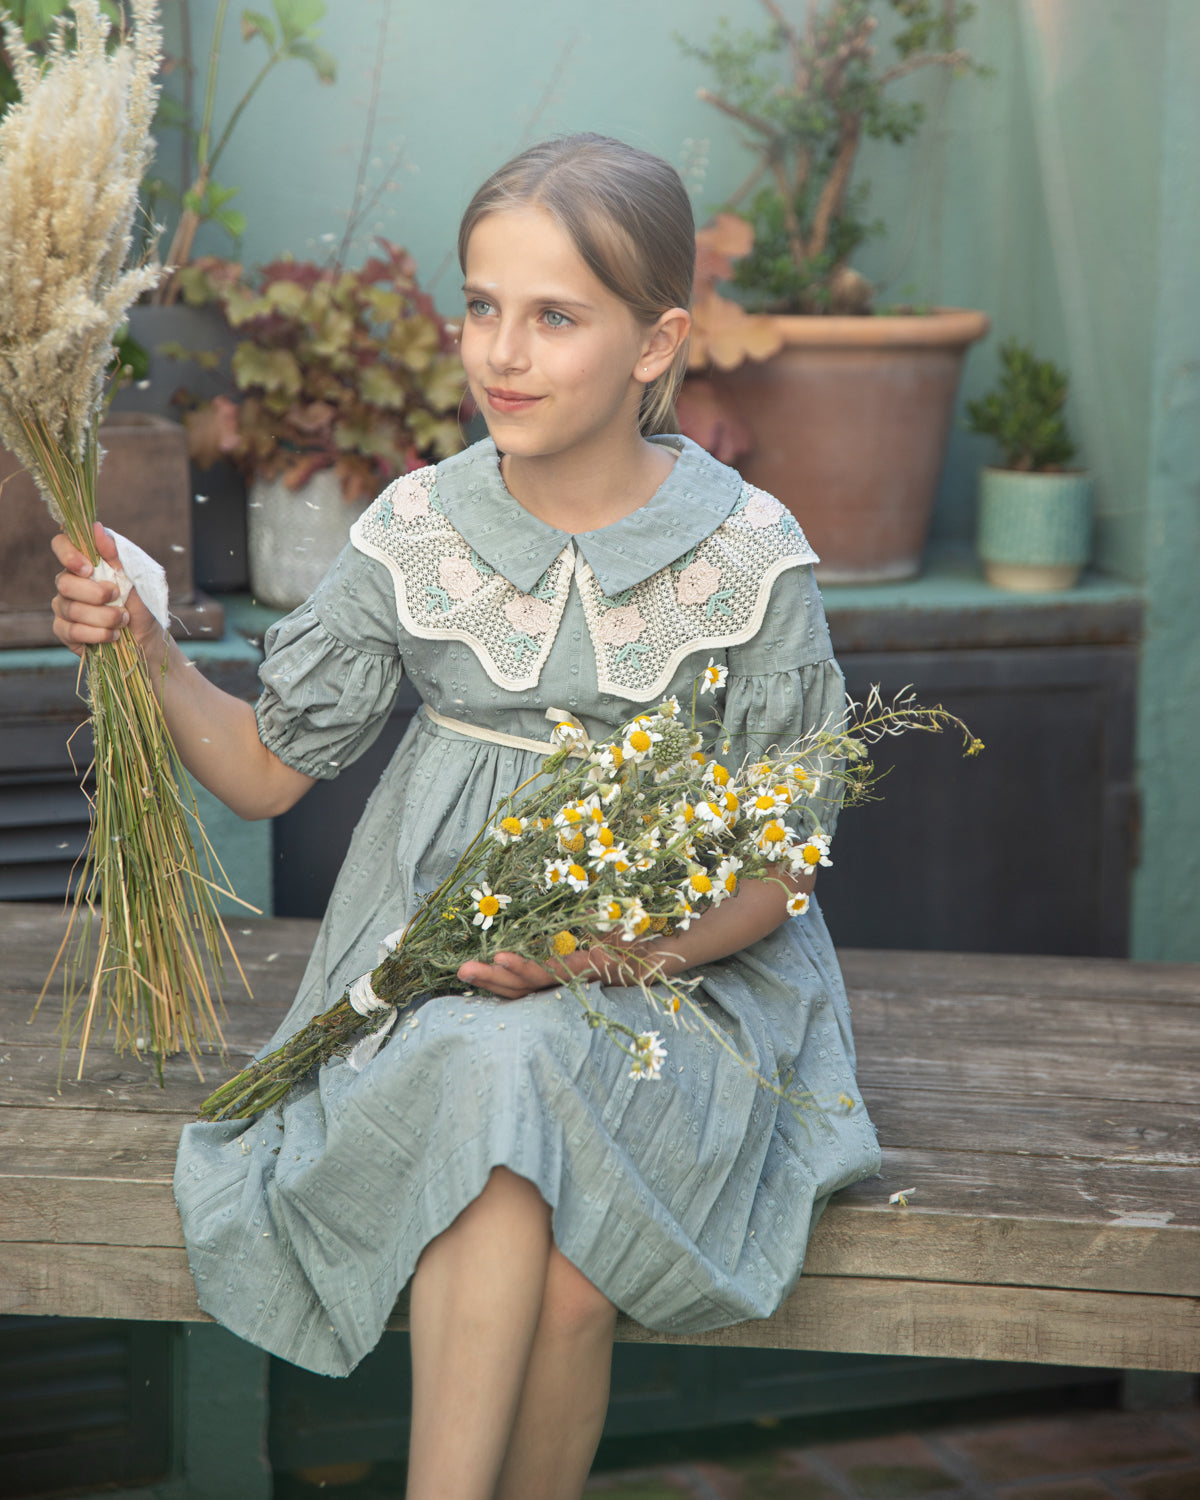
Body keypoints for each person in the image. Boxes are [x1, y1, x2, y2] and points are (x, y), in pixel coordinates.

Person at [50, 133, 881, 1500]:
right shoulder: (418, 531)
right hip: (432, 963)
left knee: (539, 1157)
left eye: (557, 317)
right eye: (483, 306)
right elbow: (265, 771)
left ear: (656, 344)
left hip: (682, 987)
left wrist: (612, 956)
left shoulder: (747, 557)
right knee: (511, 1133)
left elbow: (781, 869)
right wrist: (143, 647)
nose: (504, 351)